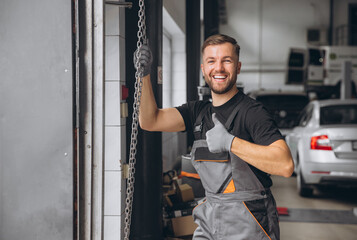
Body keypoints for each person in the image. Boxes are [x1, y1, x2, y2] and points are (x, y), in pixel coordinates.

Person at [135, 34, 294, 240]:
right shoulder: (196, 112)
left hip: (249, 221)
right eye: (211, 61)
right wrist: (144, 76)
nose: (218, 68)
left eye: (226, 61)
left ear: (238, 67)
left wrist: (230, 142)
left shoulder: (252, 112)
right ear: (204, 69)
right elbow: (150, 120)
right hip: (210, 218)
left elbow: (285, 165)